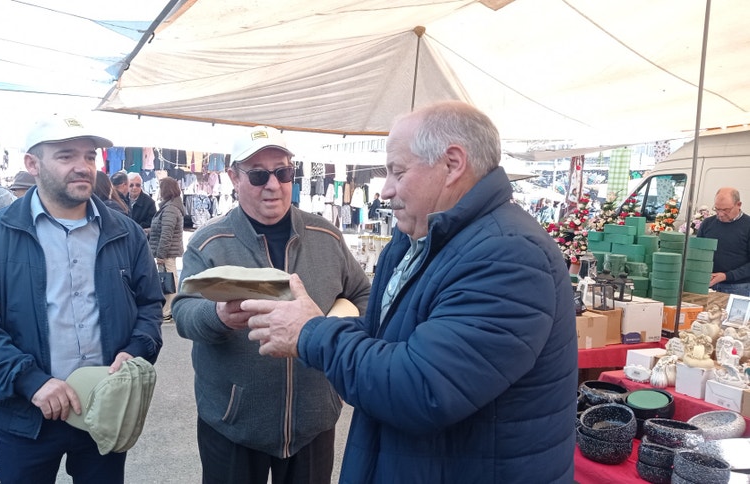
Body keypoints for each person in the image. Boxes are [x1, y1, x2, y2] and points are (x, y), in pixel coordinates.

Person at [243, 102, 578, 483]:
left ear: (453, 164)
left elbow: (423, 388)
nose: (386, 190)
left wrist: (311, 333)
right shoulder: (418, 239)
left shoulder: (509, 254)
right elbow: (385, 339)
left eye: (398, 172)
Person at [0, 115, 164, 484]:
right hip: (26, 416)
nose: (83, 166)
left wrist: (136, 350)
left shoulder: (125, 233)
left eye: (90, 156)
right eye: (66, 156)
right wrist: (29, 380)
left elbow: (149, 305)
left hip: (105, 407)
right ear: (32, 164)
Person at [172, 126, 372, 484]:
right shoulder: (209, 242)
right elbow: (183, 311)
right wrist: (218, 316)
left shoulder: (326, 236)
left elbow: (364, 296)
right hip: (233, 423)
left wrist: (338, 339)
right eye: (258, 175)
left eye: (283, 172)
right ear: (234, 177)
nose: (273, 185)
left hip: (313, 421)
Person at [697, 187, 750, 296]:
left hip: (738, 288)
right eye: (717, 209)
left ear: (739, 205)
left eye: (726, 210)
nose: (720, 214)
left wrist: (726, 276)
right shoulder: (707, 224)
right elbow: (697, 253)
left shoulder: (748, 226)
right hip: (708, 285)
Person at [148, 177, 185, 322]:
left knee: (168, 280)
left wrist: (161, 255)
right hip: (169, 251)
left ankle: (168, 310)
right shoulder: (172, 206)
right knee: (169, 279)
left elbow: (166, 234)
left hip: (167, 252)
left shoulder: (170, 208)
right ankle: (169, 309)